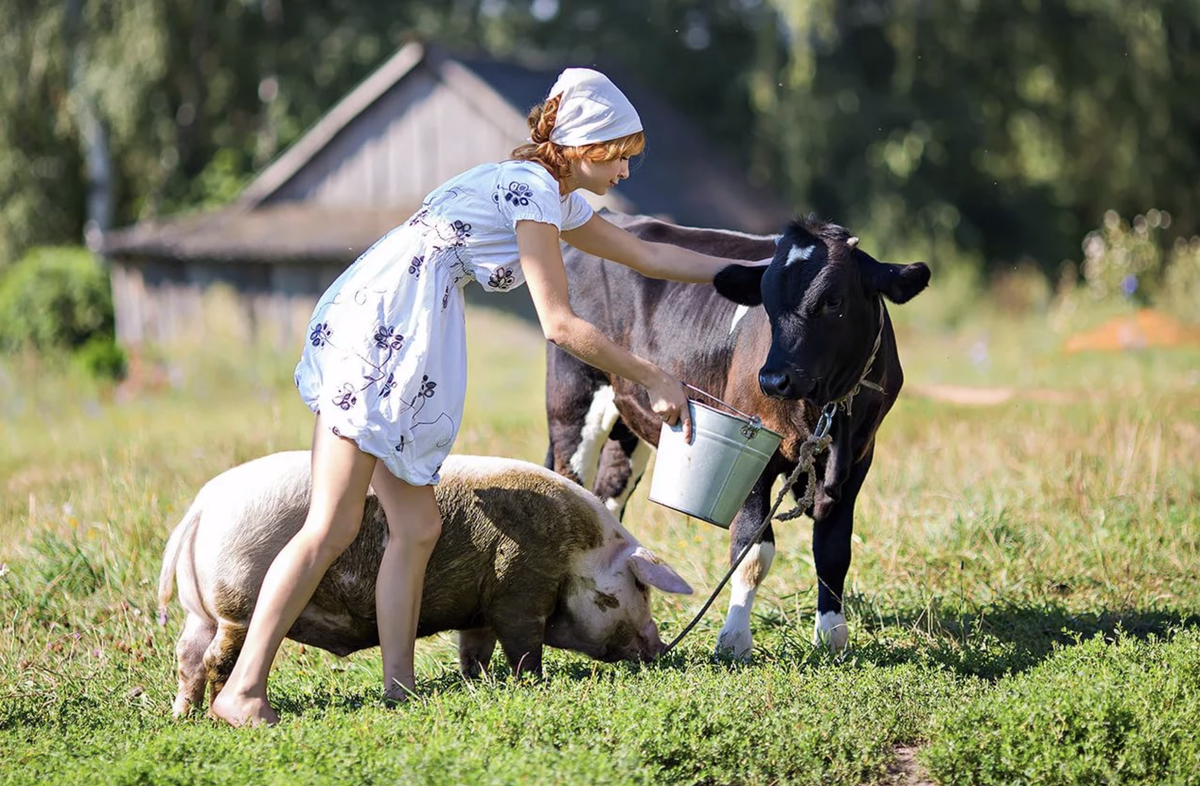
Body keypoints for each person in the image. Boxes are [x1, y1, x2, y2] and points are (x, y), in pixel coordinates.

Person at [210, 67, 752, 726]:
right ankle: (242, 691)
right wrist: (652, 376)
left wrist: (754, 273)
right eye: (621, 157)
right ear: (583, 147)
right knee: (332, 525)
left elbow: (645, 255)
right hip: (386, 330)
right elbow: (559, 323)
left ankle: (399, 691)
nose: (627, 174)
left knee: (417, 526)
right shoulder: (529, 189)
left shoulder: (552, 197)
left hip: (404, 323)